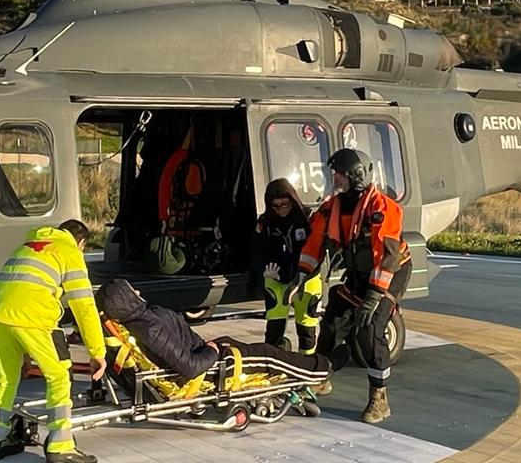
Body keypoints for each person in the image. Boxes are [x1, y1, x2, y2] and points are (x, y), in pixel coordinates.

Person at [295, 147, 412, 423]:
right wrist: (301, 274)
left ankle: (379, 399)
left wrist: (375, 296)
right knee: (332, 321)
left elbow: (388, 256)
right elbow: (314, 246)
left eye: (339, 175)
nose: (334, 180)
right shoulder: (330, 209)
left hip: (390, 273)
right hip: (361, 274)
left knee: (370, 328)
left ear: (356, 175)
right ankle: (321, 378)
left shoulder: (383, 208)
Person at [0, 219, 107, 463]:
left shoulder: (28, 245)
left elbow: (19, 290)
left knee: (5, 379)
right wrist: (97, 352)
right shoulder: (69, 251)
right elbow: (84, 306)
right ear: (80, 243)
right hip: (34, 316)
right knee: (59, 376)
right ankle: (61, 448)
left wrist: (23, 351)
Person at [94, 278, 330, 391]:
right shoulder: (150, 329)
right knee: (269, 357)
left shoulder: (143, 318)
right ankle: (322, 368)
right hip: (212, 363)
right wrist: (211, 351)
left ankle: (300, 365)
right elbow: (189, 366)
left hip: (207, 349)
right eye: (130, 290)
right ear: (126, 299)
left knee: (268, 353)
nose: (137, 289)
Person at [252, 178, 321, 354]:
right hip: (276, 279)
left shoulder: (308, 219)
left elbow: (318, 247)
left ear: (293, 199)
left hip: (307, 278)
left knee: (307, 329)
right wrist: (263, 271)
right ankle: (275, 365)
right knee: (274, 328)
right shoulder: (264, 223)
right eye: (276, 206)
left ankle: (306, 368)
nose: (282, 209)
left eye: (285, 204)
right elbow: (256, 251)